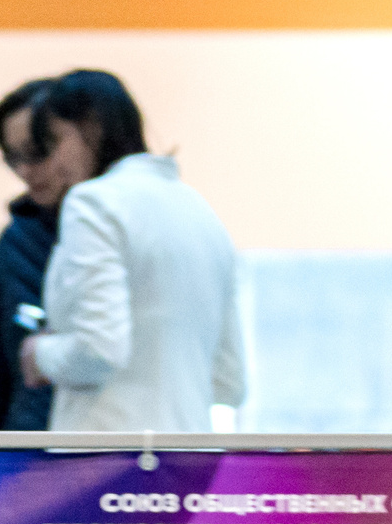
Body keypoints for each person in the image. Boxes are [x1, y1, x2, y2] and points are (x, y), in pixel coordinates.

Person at [17, 70, 244, 433]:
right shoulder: (200, 211)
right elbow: (230, 379)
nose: (53, 165)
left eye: (56, 142)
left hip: (109, 462)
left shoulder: (93, 202)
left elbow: (99, 348)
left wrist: (39, 355)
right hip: (189, 460)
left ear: (92, 126)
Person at [0, 77, 65, 433]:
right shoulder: (15, 241)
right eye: (12, 158)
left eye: (36, 153)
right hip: (26, 460)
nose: (25, 171)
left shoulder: (119, 232)